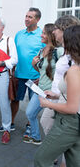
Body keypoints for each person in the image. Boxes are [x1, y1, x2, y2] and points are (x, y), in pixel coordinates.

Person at [34, 25, 80, 167]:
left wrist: (48, 104)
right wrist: (55, 95)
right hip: (75, 122)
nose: (61, 41)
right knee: (74, 162)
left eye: (64, 39)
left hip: (69, 123)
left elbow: (72, 108)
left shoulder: (74, 70)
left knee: (41, 158)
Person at [9, 7, 44, 135]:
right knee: (15, 100)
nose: (27, 19)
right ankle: (11, 122)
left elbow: (45, 56)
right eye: (26, 16)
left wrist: (43, 76)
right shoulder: (19, 34)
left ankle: (29, 125)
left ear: (37, 19)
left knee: (33, 103)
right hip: (19, 75)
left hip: (34, 77)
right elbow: (14, 55)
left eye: (30, 17)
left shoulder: (42, 35)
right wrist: (12, 71)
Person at [22, 23, 58, 145]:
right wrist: (33, 64)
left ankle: (52, 150)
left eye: (43, 33)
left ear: (50, 35)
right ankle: (36, 137)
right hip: (40, 90)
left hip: (52, 93)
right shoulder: (41, 50)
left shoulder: (58, 52)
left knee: (49, 123)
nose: (41, 35)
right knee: (30, 113)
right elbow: (42, 70)